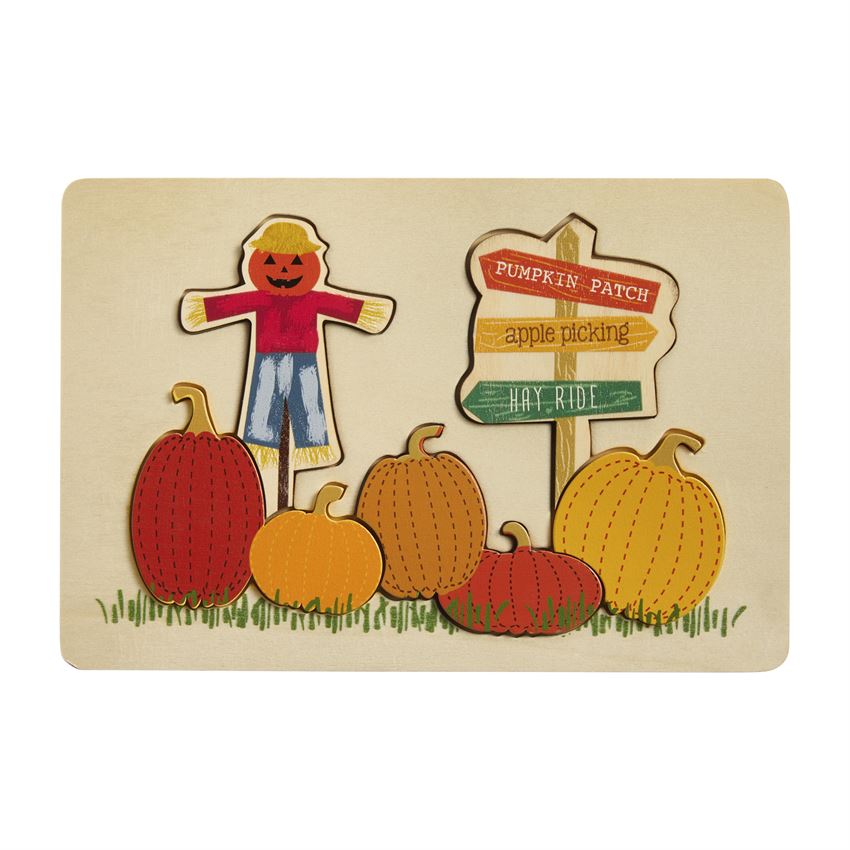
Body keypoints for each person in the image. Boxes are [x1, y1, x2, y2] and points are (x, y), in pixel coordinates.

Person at [180, 216, 393, 477]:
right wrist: (199, 309)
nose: (283, 271)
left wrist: (370, 313)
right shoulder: (260, 298)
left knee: (308, 404)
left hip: (305, 362)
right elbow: (228, 305)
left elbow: (347, 308)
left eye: (296, 262)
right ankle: (260, 449)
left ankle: (312, 447)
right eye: (271, 261)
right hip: (267, 360)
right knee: (263, 404)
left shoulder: (313, 299)